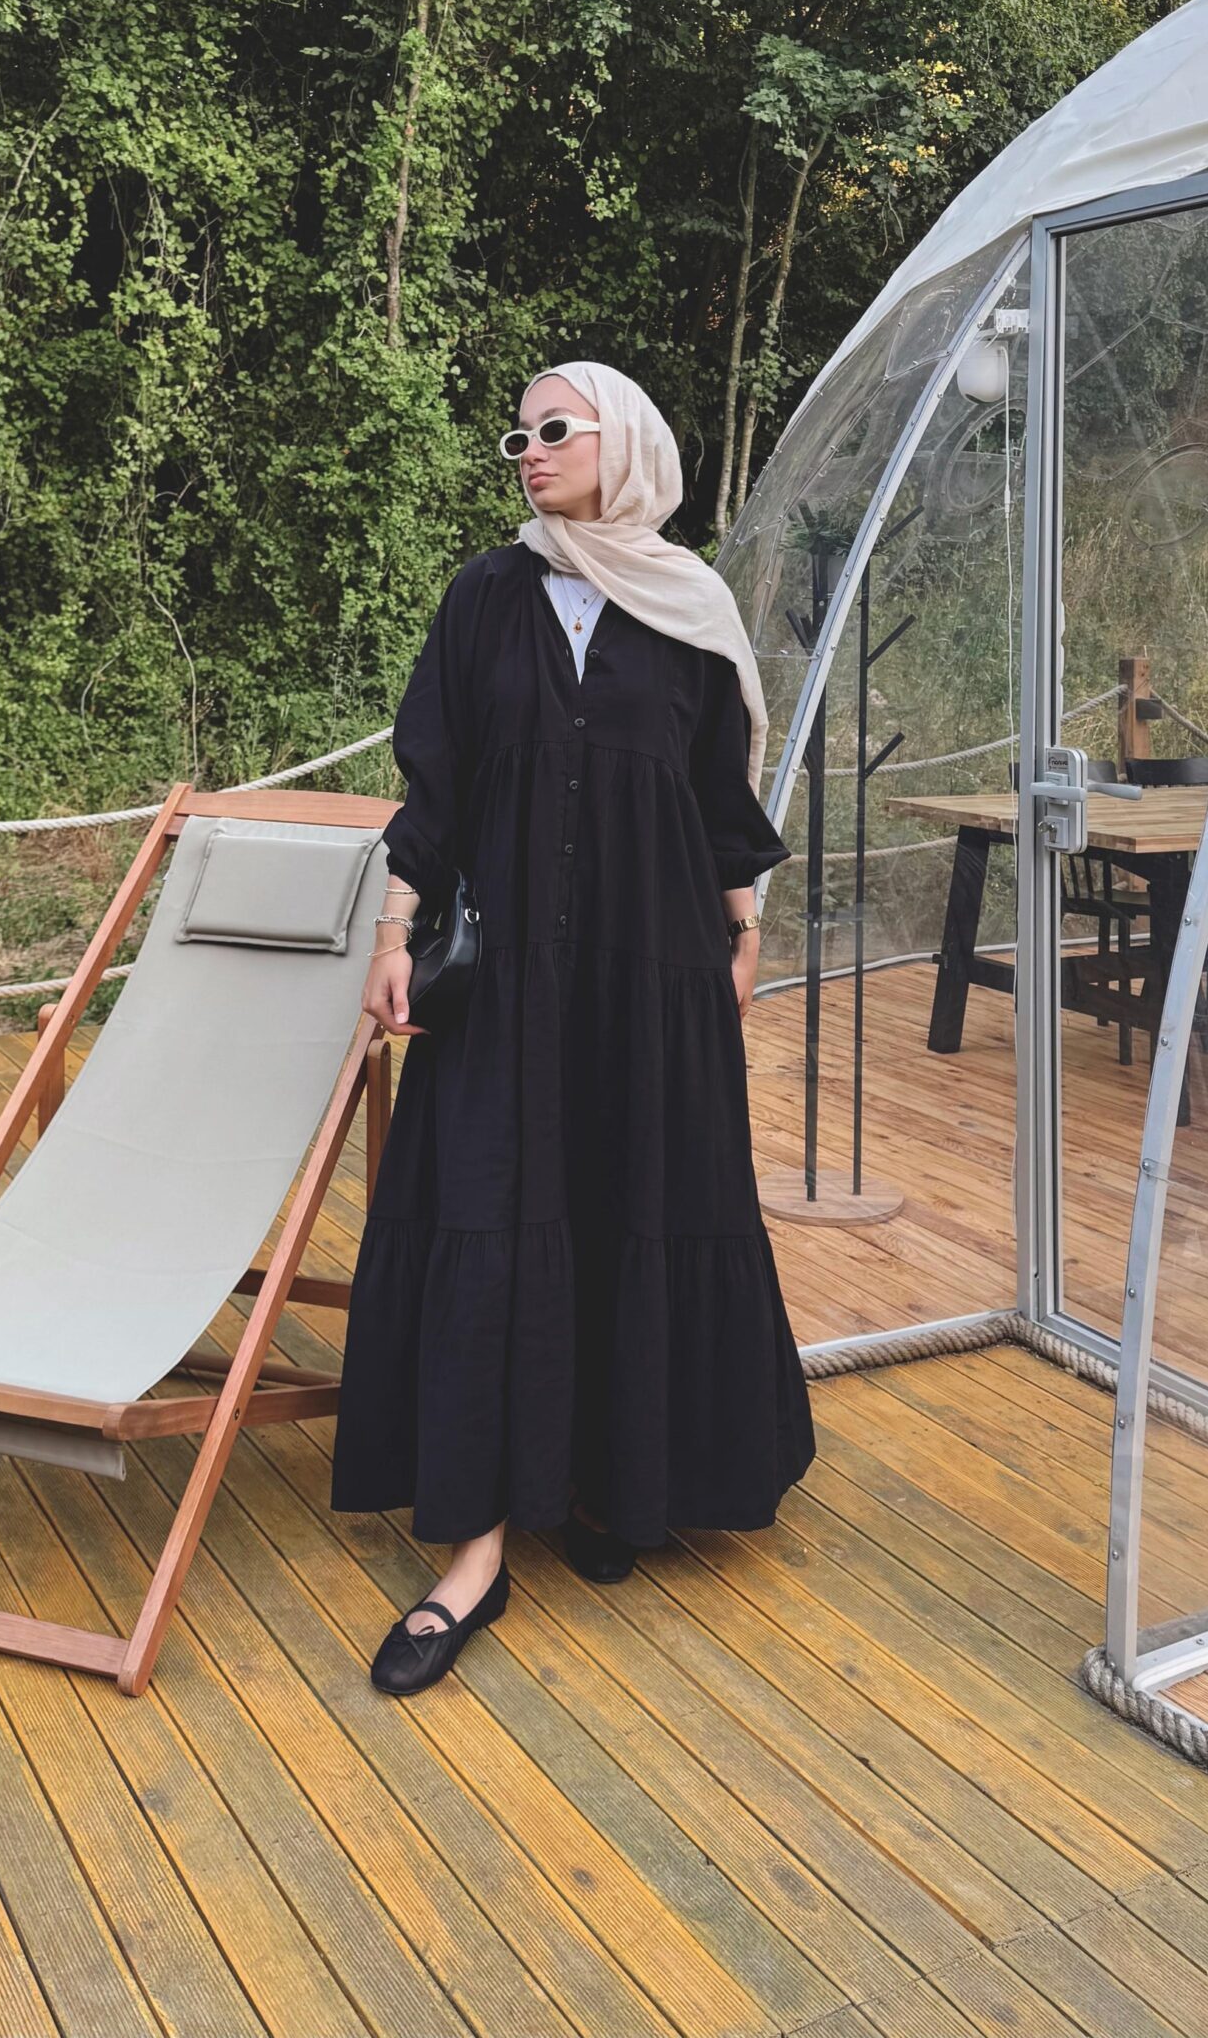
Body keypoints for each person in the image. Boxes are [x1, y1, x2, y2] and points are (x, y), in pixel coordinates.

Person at [331, 359, 816, 1694]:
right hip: (508, 982)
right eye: (519, 435)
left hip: (655, 973)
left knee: (630, 1195)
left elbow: (718, 799)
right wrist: (392, 937)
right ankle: (475, 1553)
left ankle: (612, 1482)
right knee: (493, 1209)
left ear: (628, 443)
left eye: (556, 428)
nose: (530, 450)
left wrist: (745, 934)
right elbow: (434, 786)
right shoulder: (488, 596)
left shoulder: (689, 603)